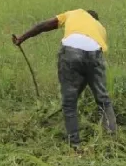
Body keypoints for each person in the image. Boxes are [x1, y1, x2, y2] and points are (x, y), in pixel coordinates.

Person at [13, 9, 117, 148]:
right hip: (95, 53)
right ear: (96, 20)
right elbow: (88, 73)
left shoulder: (76, 12)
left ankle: (75, 146)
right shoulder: (101, 29)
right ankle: (112, 142)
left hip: (71, 51)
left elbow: (42, 26)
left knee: (69, 103)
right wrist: (78, 88)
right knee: (103, 100)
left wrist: (22, 38)